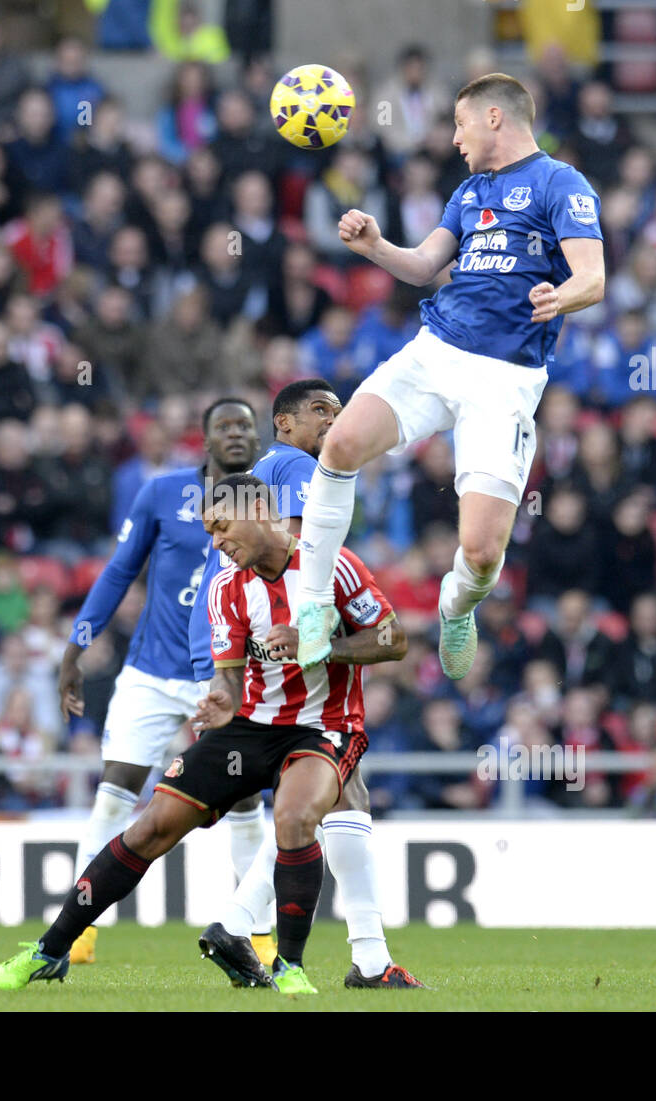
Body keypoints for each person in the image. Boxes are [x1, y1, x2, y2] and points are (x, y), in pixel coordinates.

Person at [0, 473, 412, 995]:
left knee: (296, 817)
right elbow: (230, 672)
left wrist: (321, 645)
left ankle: (289, 967)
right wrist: (220, 698)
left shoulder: (332, 565)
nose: (215, 543)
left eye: (220, 526)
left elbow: (393, 639)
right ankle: (50, 950)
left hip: (322, 728)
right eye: (209, 532)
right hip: (249, 729)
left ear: (258, 509)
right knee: (150, 829)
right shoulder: (226, 587)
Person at [293, 73, 605, 681]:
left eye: (461, 124)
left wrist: (559, 298)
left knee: (484, 554)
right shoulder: (467, 192)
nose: (455, 138)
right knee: (339, 443)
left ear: (494, 117)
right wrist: (377, 246)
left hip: (505, 379)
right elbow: (422, 267)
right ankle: (312, 603)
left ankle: (456, 604)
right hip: (435, 351)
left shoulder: (559, 182)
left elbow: (593, 277)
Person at [187, 379, 422, 986]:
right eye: (321, 411)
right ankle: (250, 926)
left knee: (336, 799)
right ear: (284, 424)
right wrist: (326, 628)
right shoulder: (292, 467)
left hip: (242, 643)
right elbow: (293, 556)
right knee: (318, 799)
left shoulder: (263, 473)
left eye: (340, 412)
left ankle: (362, 957)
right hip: (282, 653)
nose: (335, 422)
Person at [56, 398, 263, 965]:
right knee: (113, 794)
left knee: (244, 800)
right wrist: (77, 646)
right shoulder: (163, 493)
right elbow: (120, 570)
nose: (237, 434)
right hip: (150, 671)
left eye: (247, 425)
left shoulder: (270, 497)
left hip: (223, 676)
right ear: (205, 439)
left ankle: (260, 936)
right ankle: (78, 933)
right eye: (225, 426)